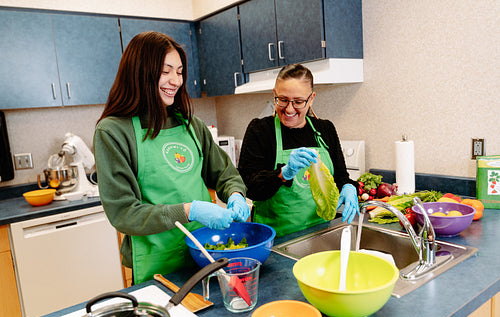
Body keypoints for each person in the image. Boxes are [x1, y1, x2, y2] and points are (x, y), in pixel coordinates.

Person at [93, 31, 250, 284]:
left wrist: (234, 193)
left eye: (179, 71)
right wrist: (189, 210)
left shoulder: (189, 124)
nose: (175, 80)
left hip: (206, 256)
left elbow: (224, 173)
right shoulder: (113, 132)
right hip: (157, 266)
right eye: (166, 71)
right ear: (140, 71)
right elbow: (124, 213)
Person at [238, 64, 359, 237]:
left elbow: (340, 177)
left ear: (311, 99)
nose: (289, 109)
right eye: (283, 99)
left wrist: (348, 187)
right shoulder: (261, 130)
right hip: (276, 240)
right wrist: (283, 174)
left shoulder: (325, 129)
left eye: (298, 102)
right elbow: (250, 188)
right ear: (274, 94)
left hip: (321, 234)